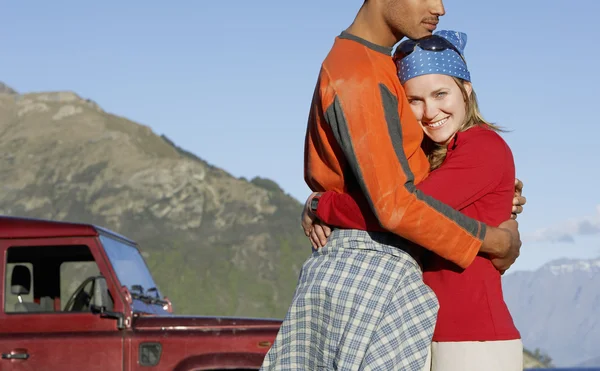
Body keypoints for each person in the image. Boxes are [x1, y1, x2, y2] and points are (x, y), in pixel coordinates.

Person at [260, 0, 525, 369]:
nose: (429, 111)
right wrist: (497, 235)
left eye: (440, 94)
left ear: (465, 89)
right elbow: (399, 204)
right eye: (414, 100)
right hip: (432, 328)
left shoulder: (481, 147)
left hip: (470, 335)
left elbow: (399, 206)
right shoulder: (362, 75)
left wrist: (324, 205)